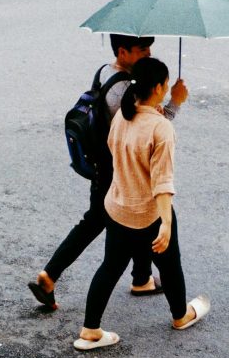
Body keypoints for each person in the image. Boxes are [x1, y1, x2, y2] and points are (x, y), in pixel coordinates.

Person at [29, 35, 189, 310]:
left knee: (123, 223)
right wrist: (174, 102)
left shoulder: (106, 72)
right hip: (116, 173)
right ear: (123, 52)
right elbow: (147, 132)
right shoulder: (125, 90)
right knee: (108, 223)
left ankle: (141, 278)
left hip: (105, 166)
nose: (149, 54)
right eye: (142, 50)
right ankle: (51, 275)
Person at [73, 57, 209, 351]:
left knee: (109, 268)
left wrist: (169, 105)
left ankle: (90, 330)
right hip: (148, 214)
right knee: (170, 266)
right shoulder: (161, 129)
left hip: (119, 206)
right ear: (160, 87)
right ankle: (180, 315)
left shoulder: (122, 116)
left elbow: (118, 146)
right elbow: (162, 182)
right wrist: (167, 224)